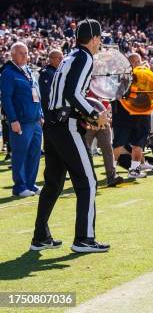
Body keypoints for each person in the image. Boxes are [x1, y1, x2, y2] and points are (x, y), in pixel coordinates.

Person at [33, 18, 111, 253]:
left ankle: (40, 236)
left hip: (55, 124)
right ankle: (84, 239)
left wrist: (86, 115)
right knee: (88, 181)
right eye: (100, 39)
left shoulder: (70, 55)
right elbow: (73, 93)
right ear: (95, 38)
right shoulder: (85, 57)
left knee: (53, 183)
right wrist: (93, 114)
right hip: (67, 125)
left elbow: (66, 94)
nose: (100, 44)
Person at [0, 42, 43, 197]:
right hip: (21, 121)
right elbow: (6, 98)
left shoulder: (29, 71)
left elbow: (37, 95)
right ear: (12, 55)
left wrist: (41, 114)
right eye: (21, 53)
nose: (25, 56)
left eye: (26, 53)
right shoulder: (8, 73)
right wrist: (13, 119)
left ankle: (30, 184)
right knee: (20, 153)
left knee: (35, 153)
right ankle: (19, 187)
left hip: (35, 120)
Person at [111, 53, 151, 178]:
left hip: (141, 115)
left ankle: (134, 170)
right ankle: (110, 171)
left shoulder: (147, 76)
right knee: (118, 144)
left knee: (138, 144)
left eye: (137, 61)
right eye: (132, 61)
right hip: (123, 115)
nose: (135, 64)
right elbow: (118, 95)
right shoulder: (121, 77)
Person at [38, 49, 63, 119]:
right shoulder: (46, 73)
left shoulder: (58, 71)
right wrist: (48, 114)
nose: (62, 60)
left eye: (62, 57)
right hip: (51, 112)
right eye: (60, 58)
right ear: (51, 59)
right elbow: (46, 95)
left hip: (59, 109)